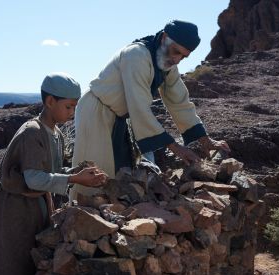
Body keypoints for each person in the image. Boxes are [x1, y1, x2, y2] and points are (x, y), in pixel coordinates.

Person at [0, 72, 108, 275]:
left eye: (75, 106)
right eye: (68, 106)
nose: (72, 112)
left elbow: (50, 169)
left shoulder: (56, 133)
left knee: (31, 260)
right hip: (14, 207)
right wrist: (74, 178)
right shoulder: (33, 132)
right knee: (10, 263)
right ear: (50, 101)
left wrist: (80, 172)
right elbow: (34, 178)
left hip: (36, 203)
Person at [70, 19, 230, 198]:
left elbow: (179, 101)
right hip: (96, 111)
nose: (176, 59)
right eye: (176, 51)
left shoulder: (167, 63)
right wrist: (175, 147)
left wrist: (205, 140)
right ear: (164, 38)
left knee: (120, 172)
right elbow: (139, 106)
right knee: (95, 172)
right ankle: (80, 216)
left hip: (119, 117)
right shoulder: (136, 55)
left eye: (183, 57)